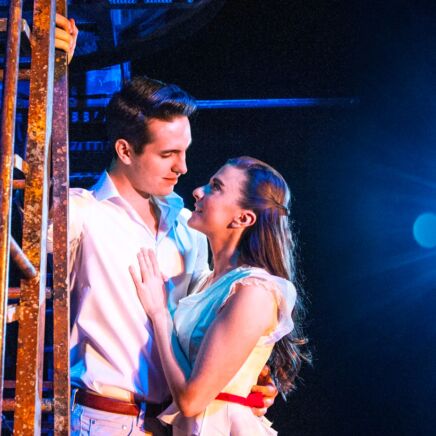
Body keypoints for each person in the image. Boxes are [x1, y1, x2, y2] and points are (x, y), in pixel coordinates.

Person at [48, 72, 278, 434]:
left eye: (184, 152)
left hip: (179, 422)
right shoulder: (81, 214)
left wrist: (244, 377)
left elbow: (207, 324)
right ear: (125, 151)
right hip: (106, 419)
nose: (182, 168)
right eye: (168, 154)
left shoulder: (188, 225)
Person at [130, 156, 311, 435]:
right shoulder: (207, 282)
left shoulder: (254, 290)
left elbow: (191, 401)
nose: (198, 191)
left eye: (216, 187)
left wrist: (159, 313)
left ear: (243, 218)